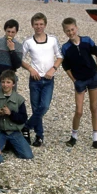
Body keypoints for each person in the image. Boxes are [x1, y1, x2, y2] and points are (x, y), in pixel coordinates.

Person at [61, 18, 97, 150]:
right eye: (67, 30)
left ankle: (95, 139)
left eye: (72, 29)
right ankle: (74, 136)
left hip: (92, 77)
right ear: (64, 31)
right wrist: (74, 80)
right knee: (79, 111)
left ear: (76, 28)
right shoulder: (65, 47)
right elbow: (66, 66)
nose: (70, 32)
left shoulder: (87, 40)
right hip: (79, 80)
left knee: (94, 107)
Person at [21, 13, 63, 147]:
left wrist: (53, 69)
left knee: (44, 106)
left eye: (41, 24)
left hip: (49, 79)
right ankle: (39, 136)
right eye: (36, 24)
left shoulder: (52, 39)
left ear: (45, 25)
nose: (38, 27)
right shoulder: (28, 42)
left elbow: (60, 56)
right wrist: (30, 69)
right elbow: (19, 59)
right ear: (32, 25)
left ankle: (26, 126)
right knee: (35, 107)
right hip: (35, 79)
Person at [0, 70, 33, 160]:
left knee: (28, 155)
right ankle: (7, 144)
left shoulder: (19, 99)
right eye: (3, 82)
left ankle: (11, 145)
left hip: (14, 132)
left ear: (13, 84)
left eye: (8, 82)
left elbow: (23, 118)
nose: (5, 85)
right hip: (0, 131)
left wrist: (10, 113)